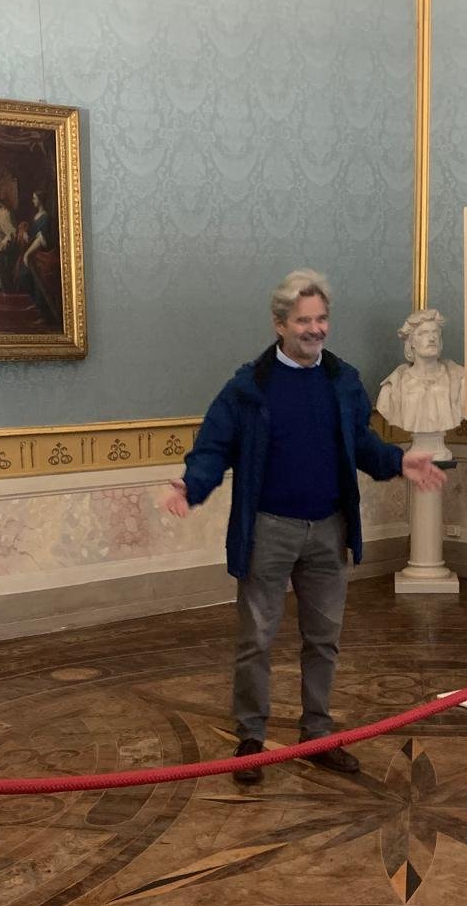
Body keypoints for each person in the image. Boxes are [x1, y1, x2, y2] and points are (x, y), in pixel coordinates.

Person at [162, 270, 446, 783]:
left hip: (328, 530)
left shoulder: (342, 380)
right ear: (279, 324)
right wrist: (191, 485)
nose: (315, 329)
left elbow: (362, 444)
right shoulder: (249, 387)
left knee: (324, 639)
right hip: (268, 531)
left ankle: (317, 733)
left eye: (322, 319)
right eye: (303, 321)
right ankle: (251, 737)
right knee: (256, 639)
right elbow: (214, 446)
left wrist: (397, 460)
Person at [376, 308, 465, 434]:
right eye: (423, 333)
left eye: (435, 332)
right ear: (411, 342)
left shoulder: (461, 381)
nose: (432, 338)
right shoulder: (393, 388)